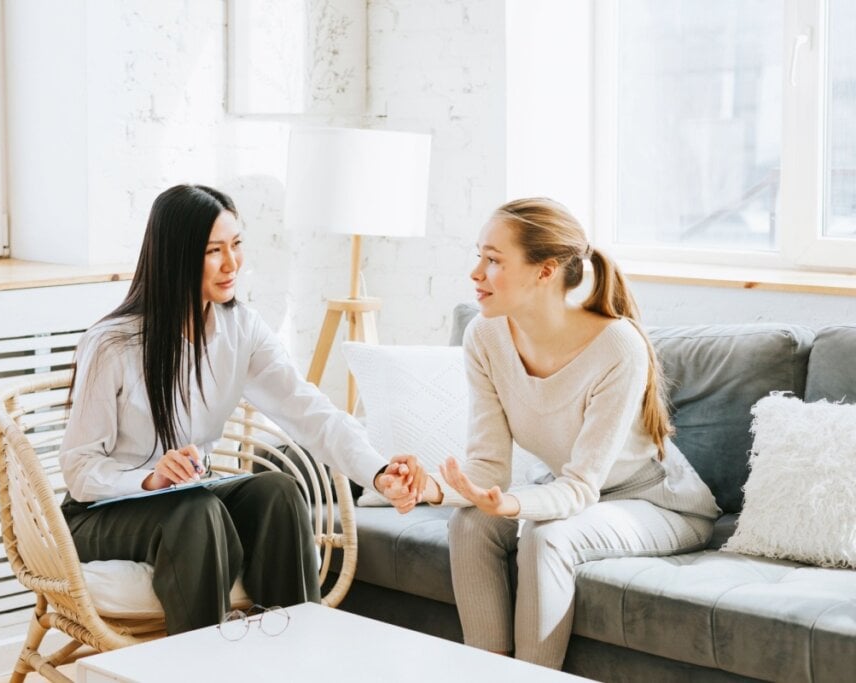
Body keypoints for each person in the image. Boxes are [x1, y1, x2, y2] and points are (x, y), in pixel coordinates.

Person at [59, 184, 422, 635]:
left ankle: (294, 658)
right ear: (176, 255)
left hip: (189, 502)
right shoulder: (113, 344)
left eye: (236, 244)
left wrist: (379, 470)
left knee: (278, 492)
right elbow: (79, 469)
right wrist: (150, 479)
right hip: (102, 512)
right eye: (214, 250)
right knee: (195, 512)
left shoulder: (240, 330)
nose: (232, 263)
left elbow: (310, 412)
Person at [416, 198, 720, 669]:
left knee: (546, 537)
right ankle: (487, 672)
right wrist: (429, 488)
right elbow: (488, 466)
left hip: (654, 502)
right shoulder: (485, 335)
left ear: (545, 271)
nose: (476, 272)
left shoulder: (618, 346)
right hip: (578, 494)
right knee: (471, 524)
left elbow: (580, 486)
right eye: (479, 255)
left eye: (493, 260)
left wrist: (512, 504)